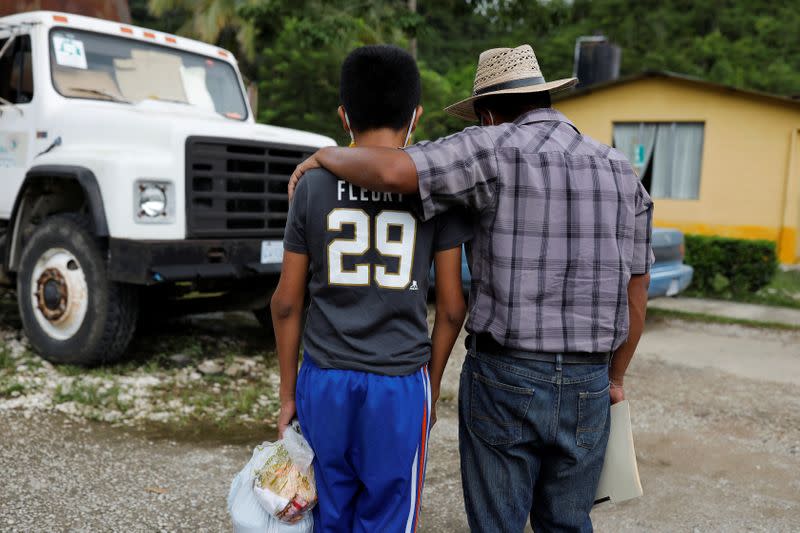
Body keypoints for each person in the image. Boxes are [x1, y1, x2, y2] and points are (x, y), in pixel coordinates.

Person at [288, 44, 654, 532]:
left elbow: (396, 169)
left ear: (486, 113)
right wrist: (615, 377)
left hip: (506, 373)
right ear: (545, 97)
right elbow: (636, 296)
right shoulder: (621, 172)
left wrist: (323, 156)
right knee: (567, 521)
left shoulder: (489, 147)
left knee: (496, 523)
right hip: (589, 381)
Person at [270, 45, 472, 533]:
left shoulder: (313, 186)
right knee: (388, 515)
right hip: (399, 384)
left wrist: (287, 393)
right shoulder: (435, 191)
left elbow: (286, 302)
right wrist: (433, 385)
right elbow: (450, 308)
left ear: (344, 116)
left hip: (325, 380)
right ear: (416, 117)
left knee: (325, 509)